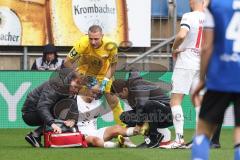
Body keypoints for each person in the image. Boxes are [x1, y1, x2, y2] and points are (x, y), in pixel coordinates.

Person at [191, 0, 240, 159]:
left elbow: (207, 47)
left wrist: (202, 79)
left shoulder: (215, 4)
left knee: (203, 131)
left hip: (220, 75)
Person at [162, 0, 205, 148]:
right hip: (201, 64)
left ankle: (179, 138)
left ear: (193, 1)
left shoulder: (189, 16)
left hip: (186, 63)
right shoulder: (209, 18)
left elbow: (181, 35)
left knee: (175, 101)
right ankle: (200, 140)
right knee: (197, 100)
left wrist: (174, 48)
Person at [64, 25, 125, 127]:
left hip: (104, 74)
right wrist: (81, 78)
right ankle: (77, 130)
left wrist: (104, 83)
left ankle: (124, 133)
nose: (93, 42)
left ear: (102, 36)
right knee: (79, 102)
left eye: (96, 39)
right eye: (90, 38)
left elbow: (113, 66)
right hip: (84, 73)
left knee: (114, 102)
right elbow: (67, 62)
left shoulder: (111, 46)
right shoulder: (82, 43)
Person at [22, 69, 88, 147]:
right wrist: (52, 124)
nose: (76, 90)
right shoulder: (56, 84)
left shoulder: (69, 88)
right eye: (75, 87)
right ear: (72, 79)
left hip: (39, 111)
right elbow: (42, 106)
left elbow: (73, 105)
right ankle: (36, 134)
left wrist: (73, 119)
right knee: (62, 112)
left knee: (66, 114)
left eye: (78, 89)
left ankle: (35, 135)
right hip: (30, 113)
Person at [111, 71, 173, 148]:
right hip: (155, 116)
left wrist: (138, 125)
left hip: (168, 115)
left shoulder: (138, 86)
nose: (121, 97)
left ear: (125, 90)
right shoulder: (130, 93)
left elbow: (142, 105)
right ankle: (151, 136)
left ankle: (154, 138)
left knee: (148, 104)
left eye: (120, 95)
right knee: (124, 116)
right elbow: (140, 112)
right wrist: (125, 132)